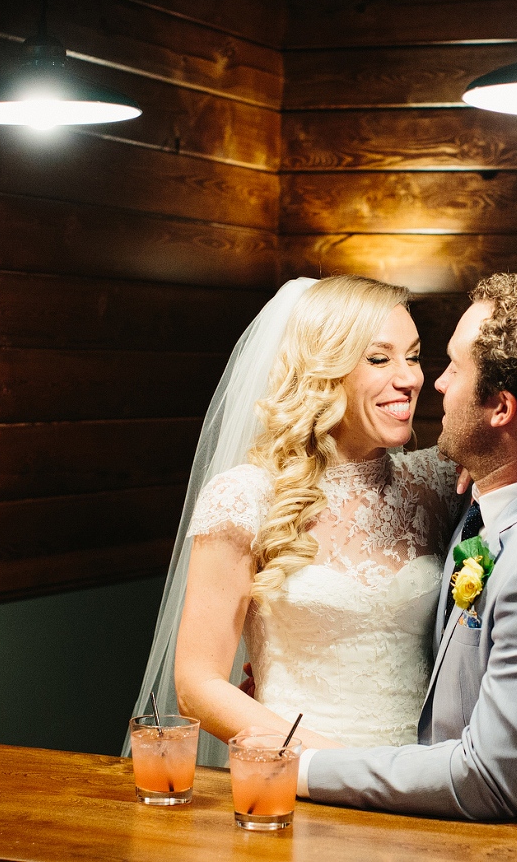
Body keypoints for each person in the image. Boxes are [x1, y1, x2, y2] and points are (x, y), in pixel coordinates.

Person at [301, 272, 517, 819]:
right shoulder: (511, 492)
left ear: (501, 410)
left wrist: (298, 764)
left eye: (454, 369)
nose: (435, 384)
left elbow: (486, 780)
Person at [128, 274, 464, 762]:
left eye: (412, 355)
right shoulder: (245, 498)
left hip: (426, 775)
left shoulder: (439, 482)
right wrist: (336, 764)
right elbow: (197, 685)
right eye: (379, 358)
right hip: (300, 777)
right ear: (323, 370)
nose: (410, 377)